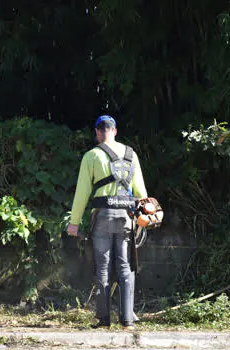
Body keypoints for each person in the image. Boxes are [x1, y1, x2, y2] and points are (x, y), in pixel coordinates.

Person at [67, 115, 148, 329]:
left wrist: (74, 222)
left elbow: (82, 192)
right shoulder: (131, 154)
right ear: (115, 131)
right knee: (125, 265)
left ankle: (103, 320)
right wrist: (145, 217)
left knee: (103, 267)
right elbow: (141, 192)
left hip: (102, 216)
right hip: (127, 218)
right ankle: (127, 320)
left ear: (97, 132)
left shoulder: (92, 156)